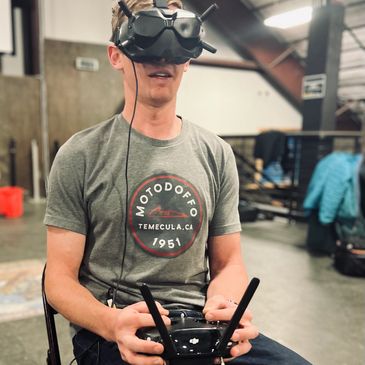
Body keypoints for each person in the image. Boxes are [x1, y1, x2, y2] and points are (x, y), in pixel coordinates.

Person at [44, 1, 312, 364]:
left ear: (189, 57)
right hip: (118, 329)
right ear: (116, 55)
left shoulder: (216, 153)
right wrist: (110, 323)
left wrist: (226, 305)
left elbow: (229, 262)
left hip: (200, 325)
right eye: (149, 45)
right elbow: (58, 280)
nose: (164, 59)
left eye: (177, 48)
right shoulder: (81, 154)